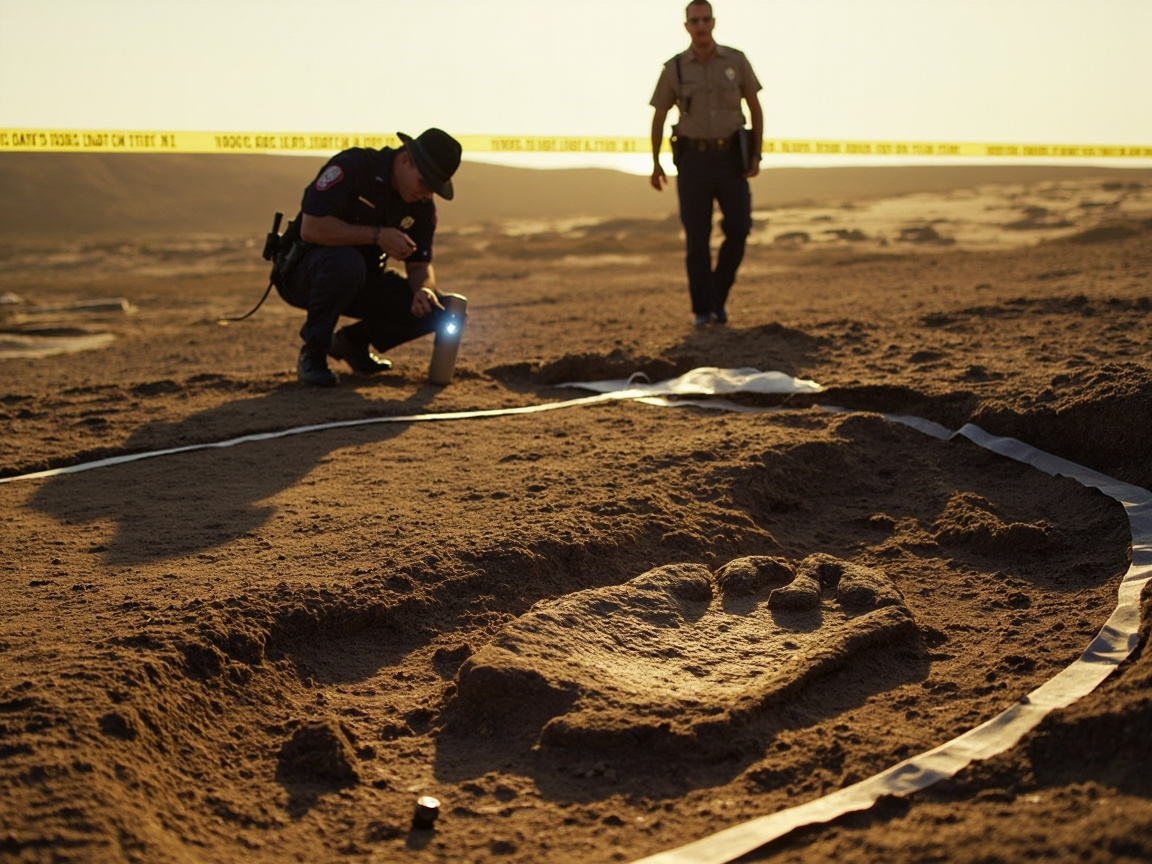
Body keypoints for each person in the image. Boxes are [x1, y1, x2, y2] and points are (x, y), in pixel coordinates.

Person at [275, 128, 463, 386]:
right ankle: (314, 354)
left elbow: (420, 264)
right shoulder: (355, 168)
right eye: (424, 182)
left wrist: (424, 290)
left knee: (440, 311)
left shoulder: (421, 207)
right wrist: (377, 236)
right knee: (346, 264)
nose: (427, 193)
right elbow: (312, 228)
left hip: (362, 280)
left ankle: (353, 343)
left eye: (435, 188)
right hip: (304, 274)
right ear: (407, 158)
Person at [649, 1, 763, 327]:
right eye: (694, 20)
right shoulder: (675, 69)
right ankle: (703, 310)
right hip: (693, 161)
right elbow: (658, 115)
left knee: (739, 228)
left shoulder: (736, 61)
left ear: (713, 22)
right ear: (687, 26)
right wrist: (656, 163)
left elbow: (755, 106)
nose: (700, 25)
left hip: (730, 159)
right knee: (697, 240)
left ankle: (717, 296)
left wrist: (756, 153)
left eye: (705, 19)